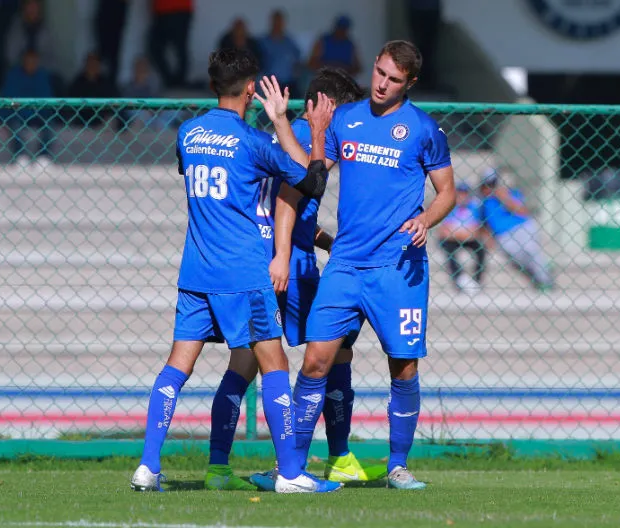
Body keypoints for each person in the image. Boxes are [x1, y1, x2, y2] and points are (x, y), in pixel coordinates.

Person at [129, 47, 340, 494]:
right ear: (251, 90)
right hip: (243, 274)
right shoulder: (254, 142)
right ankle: (290, 474)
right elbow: (312, 182)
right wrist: (285, 121)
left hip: (195, 273)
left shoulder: (187, 133)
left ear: (212, 86)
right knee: (275, 362)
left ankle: (148, 466)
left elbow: (192, 171)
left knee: (176, 367)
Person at [279, 40, 455, 490]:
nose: (381, 84)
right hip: (345, 265)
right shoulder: (347, 119)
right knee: (316, 361)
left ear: (409, 83)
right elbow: (309, 177)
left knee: (404, 365)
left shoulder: (424, 129)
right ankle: (293, 470)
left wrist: (425, 220)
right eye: (379, 72)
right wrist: (312, 131)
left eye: (393, 79)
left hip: (397, 268)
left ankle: (397, 465)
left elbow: (448, 193)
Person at [203, 68, 387, 492]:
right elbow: (287, 200)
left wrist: (325, 241)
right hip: (287, 263)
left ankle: (218, 466)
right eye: (345, 111)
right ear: (327, 107)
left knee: (247, 363)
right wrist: (287, 255)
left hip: (269, 255)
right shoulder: (310, 137)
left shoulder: (290, 135)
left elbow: (289, 208)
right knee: (332, 351)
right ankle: (329, 459)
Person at [478, 167, 554, 291]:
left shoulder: (511, 193)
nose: (490, 188)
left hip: (522, 227)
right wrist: (488, 239)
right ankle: (541, 273)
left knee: (531, 250)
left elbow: (523, 212)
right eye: (487, 185)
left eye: (493, 184)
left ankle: (545, 281)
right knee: (518, 259)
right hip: (503, 235)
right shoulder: (483, 202)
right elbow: (483, 224)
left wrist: (503, 197)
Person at [0, 48, 55, 169]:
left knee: (49, 123)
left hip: (38, 112)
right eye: (28, 61)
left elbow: (46, 97)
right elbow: (9, 99)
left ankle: (43, 157)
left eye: (33, 61)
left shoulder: (42, 75)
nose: (31, 64)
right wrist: (21, 107)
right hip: (18, 113)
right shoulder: (14, 75)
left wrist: (33, 108)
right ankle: (21, 157)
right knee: (15, 125)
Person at [436, 182, 486, 294]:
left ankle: (476, 280)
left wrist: (455, 232)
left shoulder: (475, 206)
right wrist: (464, 233)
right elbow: (444, 231)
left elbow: (476, 231)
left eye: (465, 194)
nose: (463, 197)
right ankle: (459, 278)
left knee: (481, 250)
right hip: (453, 240)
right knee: (448, 251)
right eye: (460, 194)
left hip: (467, 239)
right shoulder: (449, 206)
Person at [147, 0, 193, 89]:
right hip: (162, 10)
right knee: (155, 48)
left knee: (179, 47)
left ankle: (179, 81)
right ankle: (171, 81)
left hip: (179, 9)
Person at [258, 10, 301, 95]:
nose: (278, 24)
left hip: (289, 83)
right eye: (276, 21)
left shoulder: (290, 42)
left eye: (280, 21)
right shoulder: (263, 42)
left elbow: (298, 60)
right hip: (270, 82)